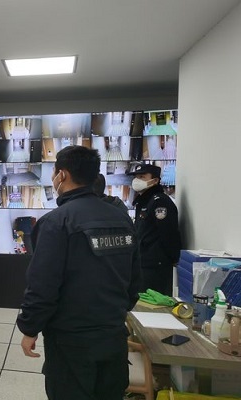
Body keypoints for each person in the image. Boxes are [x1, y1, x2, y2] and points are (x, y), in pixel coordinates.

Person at [17, 145, 141, 400]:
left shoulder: (56, 222)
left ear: (61, 175)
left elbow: (43, 285)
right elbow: (134, 280)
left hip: (71, 341)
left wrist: (30, 328)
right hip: (113, 336)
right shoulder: (122, 219)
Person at [129, 163, 182, 296]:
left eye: (142, 177)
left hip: (156, 266)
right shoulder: (144, 201)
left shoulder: (160, 202)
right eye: (136, 177)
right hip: (144, 263)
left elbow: (169, 234)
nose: (137, 180)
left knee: (154, 303)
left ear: (155, 180)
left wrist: (174, 258)